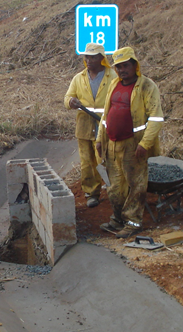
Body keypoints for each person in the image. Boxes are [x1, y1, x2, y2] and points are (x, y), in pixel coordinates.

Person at [95, 46, 164, 239]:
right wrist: (100, 139)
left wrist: (145, 144)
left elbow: (156, 118)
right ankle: (118, 219)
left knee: (136, 185)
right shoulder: (114, 85)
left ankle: (133, 221)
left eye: (125, 66)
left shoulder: (146, 86)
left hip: (133, 146)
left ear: (135, 65)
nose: (122, 70)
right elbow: (106, 115)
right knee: (115, 186)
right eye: (118, 67)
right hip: (112, 144)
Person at [64, 43, 116, 208]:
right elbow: (67, 98)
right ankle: (91, 193)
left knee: (106, 160)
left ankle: (114, 191)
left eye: (93, 57)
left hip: (105, 126)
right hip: (85, 127)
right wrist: (70, 102)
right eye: (87, 57)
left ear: (102, 58)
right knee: (87, 163)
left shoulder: (113, 76)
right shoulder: (79, 78)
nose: (89, 60)